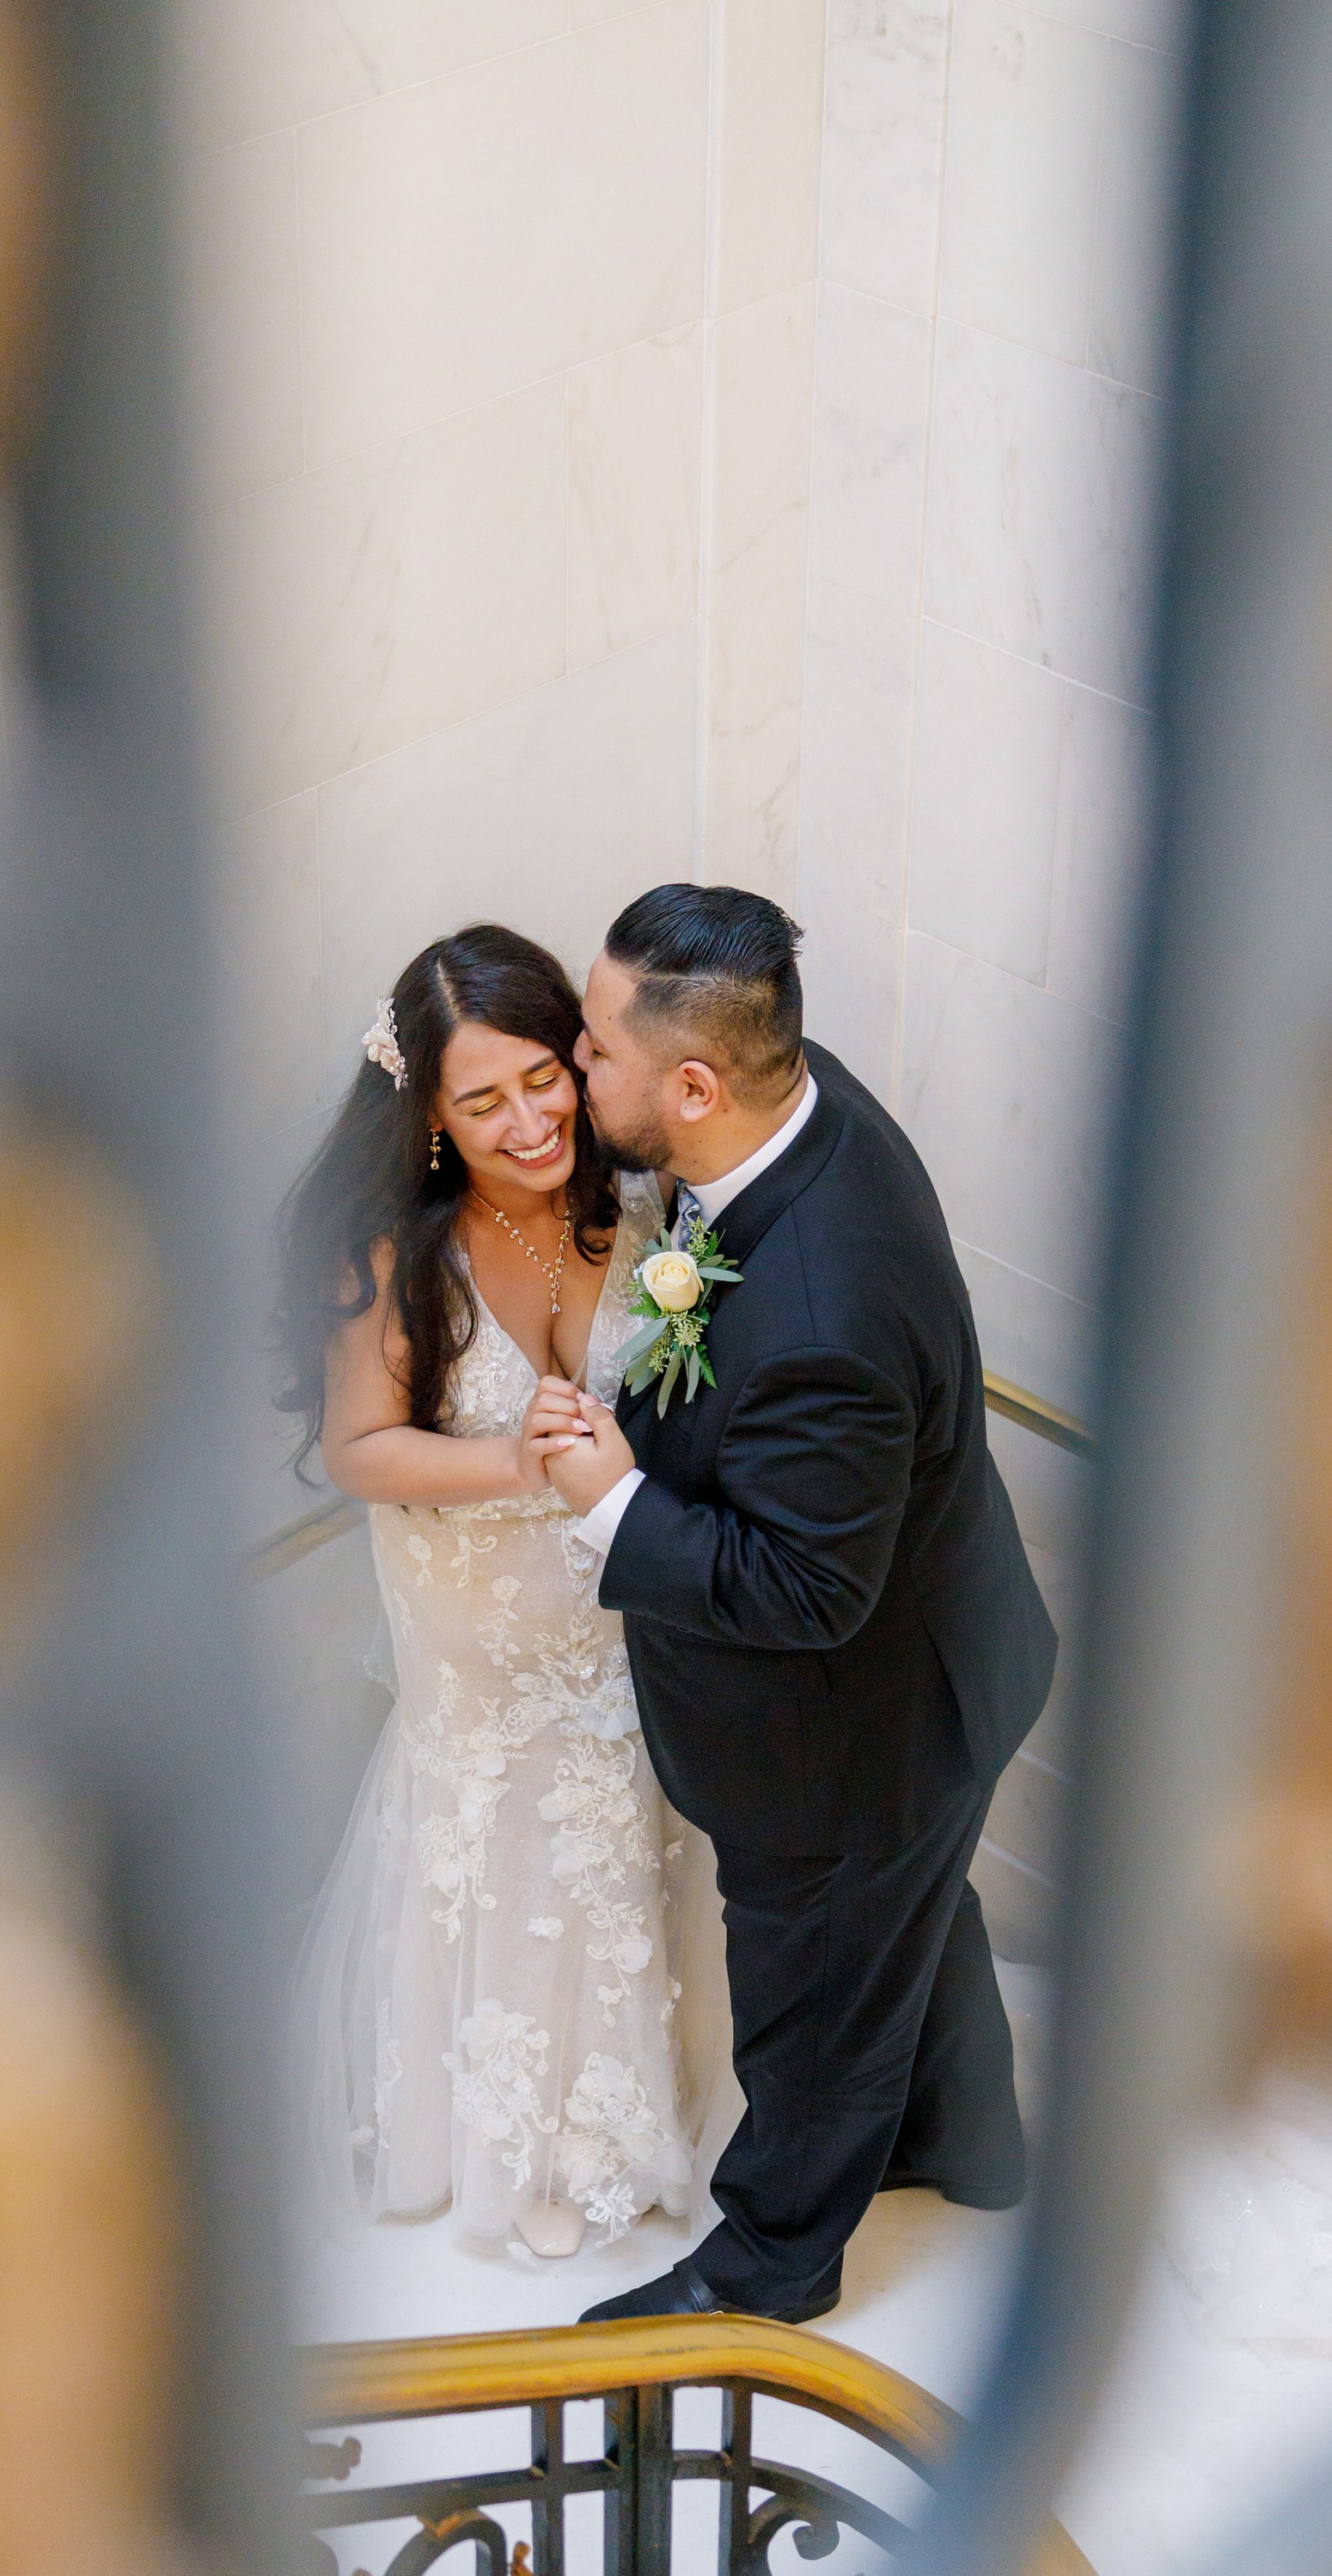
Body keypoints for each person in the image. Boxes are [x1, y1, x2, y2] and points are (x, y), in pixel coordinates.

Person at [529, 885, 1058, 2324]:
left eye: (594, 1052)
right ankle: (967, 2144)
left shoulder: (825, 1307)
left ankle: (769, 2267)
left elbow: (807, 1590)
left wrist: (612, 1499)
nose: (577, 1069)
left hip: (863, 1727)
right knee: (907, 1921)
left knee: (818, 1993)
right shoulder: (803, 1110)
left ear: (693, 1086)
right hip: (952, 1653)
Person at [278, 925, 729, 2264]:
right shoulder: (390, 1260)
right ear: (428, 1118)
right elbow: (363, 1449)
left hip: (624, 1605)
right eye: (482, 1103)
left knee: (632, 1835)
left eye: (543, 1077)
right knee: (520, 1840)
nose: (529, 1121)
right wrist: (510, 1460)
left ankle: (633, 2109)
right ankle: (514, 2139)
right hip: (482, 1623)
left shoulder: (641, 1206)